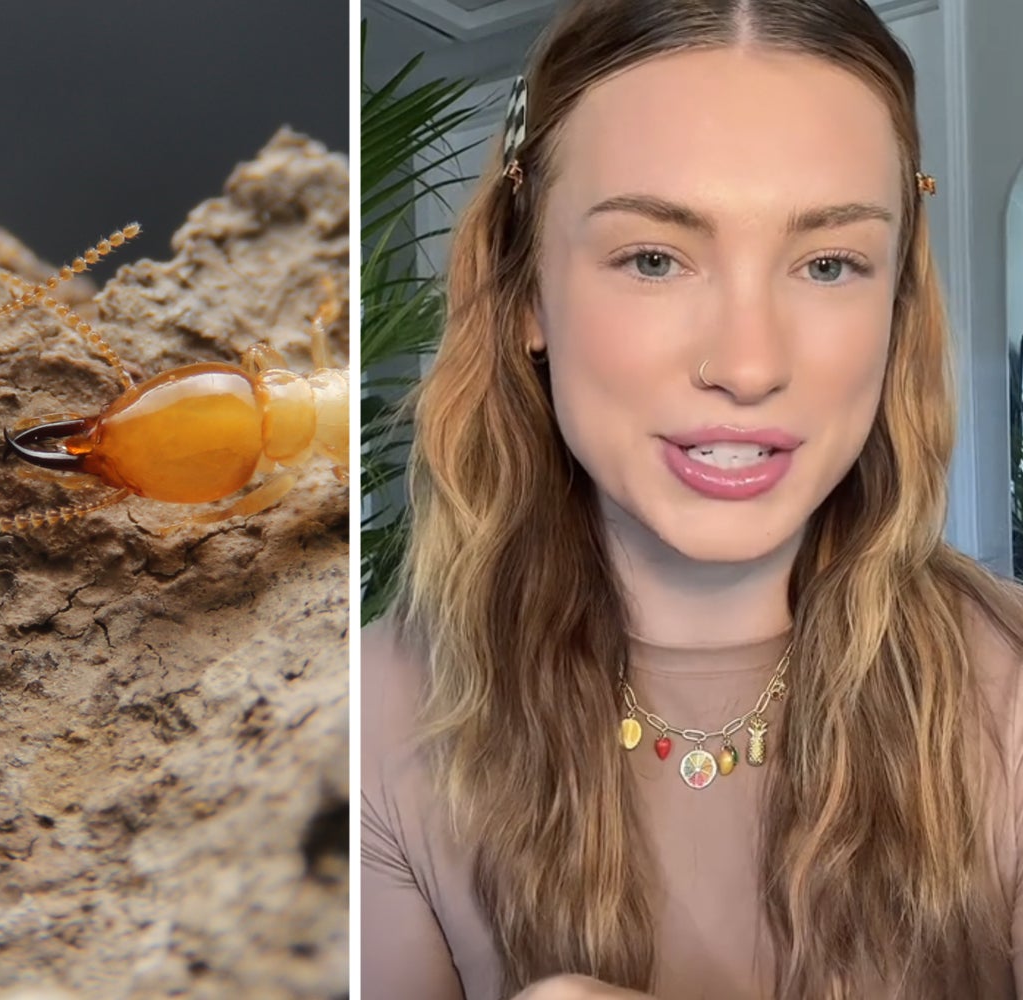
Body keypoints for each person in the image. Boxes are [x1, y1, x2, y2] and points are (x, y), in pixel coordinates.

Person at [360, 0, 1023, 997]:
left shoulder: (1007, 693)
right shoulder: (363, 719)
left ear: (892, 301)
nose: (747, 364)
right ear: (526, 292)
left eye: (828, 263)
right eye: (653, 258)